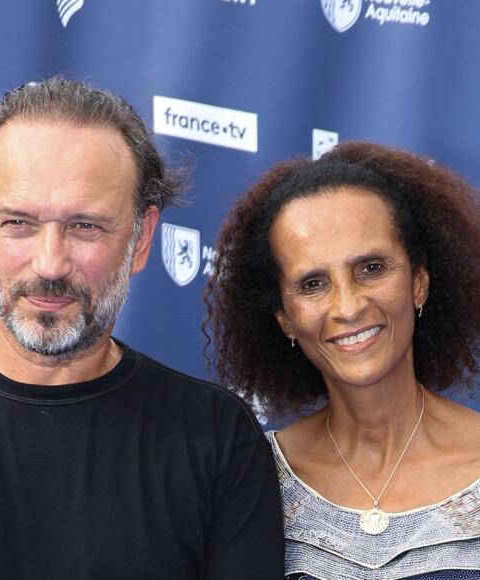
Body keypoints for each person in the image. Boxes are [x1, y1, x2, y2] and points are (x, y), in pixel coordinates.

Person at [0, 76, 284, 579]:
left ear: (142, 238)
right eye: (18, 223)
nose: (51, 263)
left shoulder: (217, 442)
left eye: (85, 226)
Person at [205, 140, 480, 579]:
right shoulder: (251, 478)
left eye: (371, 268)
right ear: (284, 318)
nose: (348, 307)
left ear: (420, 282)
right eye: (313, 284)